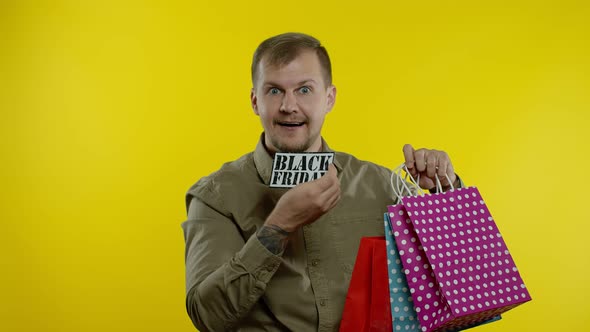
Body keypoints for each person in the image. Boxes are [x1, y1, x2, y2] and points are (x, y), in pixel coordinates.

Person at [182, 32, 461, 332]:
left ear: (329, 98)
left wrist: (444, 192)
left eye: (304, 89)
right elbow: (207, 315)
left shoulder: (382, 185)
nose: (289, 105)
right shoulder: (216, 196)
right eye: (274, 91)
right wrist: (277, 228)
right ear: (255, 101)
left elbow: (450, 288)